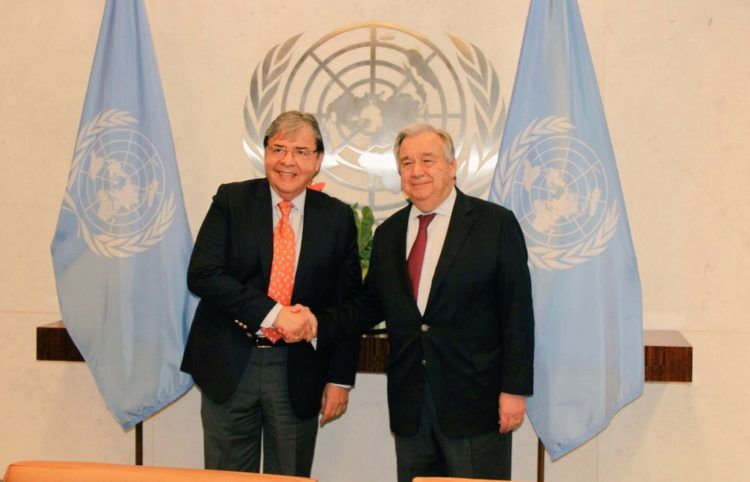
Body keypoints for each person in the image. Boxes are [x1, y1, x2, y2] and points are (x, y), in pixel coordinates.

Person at [277, 123, 535, 481]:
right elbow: (368, 305)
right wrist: (317, 322)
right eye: (407, 163)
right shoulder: (390, 233)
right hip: (411, 404)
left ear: (452, 166)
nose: (417, 171)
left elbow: (517, 314)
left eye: (427, 160)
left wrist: (514, 390)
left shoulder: (495, 224)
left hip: (476, 401)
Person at [181, 111, 361, 476]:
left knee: (290, 476)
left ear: (317, 161)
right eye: (278, 148)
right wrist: (274, 313)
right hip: (231, 363)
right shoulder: (231, 201)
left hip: (298, 371)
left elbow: (348, 304)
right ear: (264, 153)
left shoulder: (337, 218)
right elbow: (202, 274)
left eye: (300, 151)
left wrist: (340, 379)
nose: (287, 161)